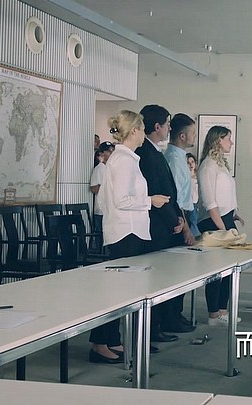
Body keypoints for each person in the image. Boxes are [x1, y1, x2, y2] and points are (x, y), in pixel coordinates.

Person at [91, 110, 169, 363]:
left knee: (121, 291)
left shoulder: (125, 158)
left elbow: (108, 200)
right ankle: (100, 343)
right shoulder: (123, 160)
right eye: (142, 129)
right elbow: (121, 200)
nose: (144, 134)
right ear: (134, 131)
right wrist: (150, 201)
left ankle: (112, 340)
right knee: (117, 292)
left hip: (128, 230)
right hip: (127, 232)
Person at [135, 104, 195, 340]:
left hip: (168, 219)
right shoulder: (146, 154)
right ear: (157, 126)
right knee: (156, 279)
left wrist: (177, 218)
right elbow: (157, 193)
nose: (170, 128)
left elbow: (170, 194)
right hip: (157, 224)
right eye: (168, 124)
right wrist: (176, 221)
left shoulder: (155, 152)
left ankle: (160, 324)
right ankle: (152, 328)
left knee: (167, 277)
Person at [198, 126, 244, 326]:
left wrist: (233, 215)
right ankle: (213, 314)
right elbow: (209, 201)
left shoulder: (221, 164)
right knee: (216, 270)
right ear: (218, 140)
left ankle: (223, 310)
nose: (231, 143)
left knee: (228, 270)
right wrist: (222, 228)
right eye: (228, 139)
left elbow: (225, 194)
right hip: (213, 221)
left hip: (225, 218)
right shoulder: (208, 166)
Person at [164, 113, 198, 240]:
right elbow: (177, 197)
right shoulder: (174, 160)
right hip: (180, 220)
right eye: (193, 133)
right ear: (182, 136)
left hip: (185, 215)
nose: (195, 136)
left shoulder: (180, 157)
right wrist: (186, 230)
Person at [90, 141, 114, 247]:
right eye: (109, 151)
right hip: (101, 210)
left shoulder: (110, 168)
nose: (111, 153)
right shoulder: (99, 168)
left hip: (110, 209)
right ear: (101, 153)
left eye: (113, 151)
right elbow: (94, 188)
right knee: (100, 236)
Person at [187, 152, 201, 238]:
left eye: (192, 162)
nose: (191, 164)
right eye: (188, 162)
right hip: (190, 204)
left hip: (198, 204)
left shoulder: (199, 176)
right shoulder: (185, 177)